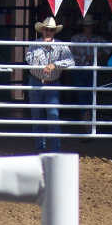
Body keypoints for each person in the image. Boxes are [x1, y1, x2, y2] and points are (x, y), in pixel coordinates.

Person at [25, 17, 75, 151]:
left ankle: (54, 150)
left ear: (54, 32)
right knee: (37, 117)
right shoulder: (34, 44)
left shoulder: (61, 45)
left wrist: (54, 65)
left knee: (53, 117)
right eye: (46, 30)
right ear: (42, 30)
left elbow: (71, 61)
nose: (48, 32)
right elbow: (29, 59)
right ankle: (40, 148)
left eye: (51, 30)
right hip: (36, 81)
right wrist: (44, 66)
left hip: (52, 83)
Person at [69, 14, 108, 129]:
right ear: (83, 27)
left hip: (92, 71)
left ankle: (90, 123)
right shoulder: (75, 38)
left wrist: (98, 55)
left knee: (92, 96)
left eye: (90, 26)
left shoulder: (98, 39)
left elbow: (109, 49)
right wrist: (86, 58)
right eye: (86, 26)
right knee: (82, 96)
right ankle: (87, 124)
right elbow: (71, 55)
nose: (88, 28)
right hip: (80, 70)